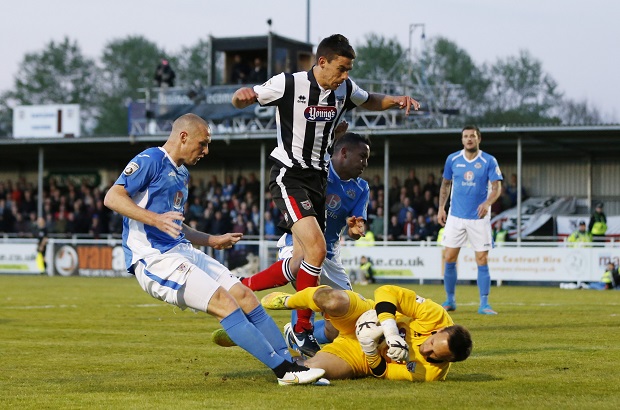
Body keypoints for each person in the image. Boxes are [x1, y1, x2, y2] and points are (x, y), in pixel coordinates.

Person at [231, 33, 420, 356]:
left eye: (348, 70)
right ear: (322, 62)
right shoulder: (288, 84)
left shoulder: (344, 89)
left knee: (304, 259)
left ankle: (240, 288)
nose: (345, 76)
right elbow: (243, 98)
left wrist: (396, 100)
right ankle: (302, 329)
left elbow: (369, 99)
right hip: (289, 174)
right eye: (341, 69)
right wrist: (242, 96)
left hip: (317, 180)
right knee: (316, 250)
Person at [103, 113, 324, 386]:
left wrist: (211, 240)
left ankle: (291, 364)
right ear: (183, 137)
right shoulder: (151, 159)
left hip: (182, 250)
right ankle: (284, 372)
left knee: (244, 295)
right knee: (224, 303)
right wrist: (154, 219)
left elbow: (176, 225)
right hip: (154, 259)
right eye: (203, 143)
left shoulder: (182, 172)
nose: (206, 151)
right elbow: (112, 197)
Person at [236, 132, 372, 355]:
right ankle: (298, 327)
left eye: (367, 158)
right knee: (303, 267)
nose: (365, 163)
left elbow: (356, 228)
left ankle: (295, 332)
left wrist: (355, 230)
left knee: (340, 325)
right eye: (362, 157)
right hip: (297, 241)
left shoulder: (361, 188)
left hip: (330, 255)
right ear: (344, 153)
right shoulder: (318, 170)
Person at [217, 285, 472, 381]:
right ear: (438, 330)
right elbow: (387, 292)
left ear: (446, 361)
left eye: (432, 354)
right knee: (330, 299)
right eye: (431, 342)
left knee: (305, 372)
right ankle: (288, 301)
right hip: (367, 313)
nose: (426, 349)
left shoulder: (429, 374)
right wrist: (389, 327)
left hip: (359, 355)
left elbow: (382, 372)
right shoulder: (435, 315)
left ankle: (251, 336)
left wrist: (371, 349)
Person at [437, 125, 503, 315]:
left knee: (481, 259)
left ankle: (484, 304)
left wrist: (488, 203)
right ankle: (450, 300)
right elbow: (445, 185)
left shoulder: (489, 161)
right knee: (449, 257)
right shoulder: (453, 159)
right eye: (465, 136)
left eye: (472, 136)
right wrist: (442, 208)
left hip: (479, 218)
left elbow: (497, 187)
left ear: (478, 138)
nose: (469, 139)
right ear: (462, 140)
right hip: (455, 217)